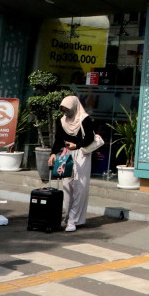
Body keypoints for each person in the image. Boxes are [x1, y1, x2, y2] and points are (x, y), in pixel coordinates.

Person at [49, 94, 101, 232]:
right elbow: (59, 138)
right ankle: (68, 217)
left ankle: (73, 219)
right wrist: (53, 153)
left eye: (68, 109)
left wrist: (76, 146)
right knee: (67, 185)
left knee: (79, 186)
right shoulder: (63, 120)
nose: (66, 113)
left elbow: (89, 137)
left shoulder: (84, 119)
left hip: (81, 154)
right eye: (64, 109)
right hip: (67, 155)